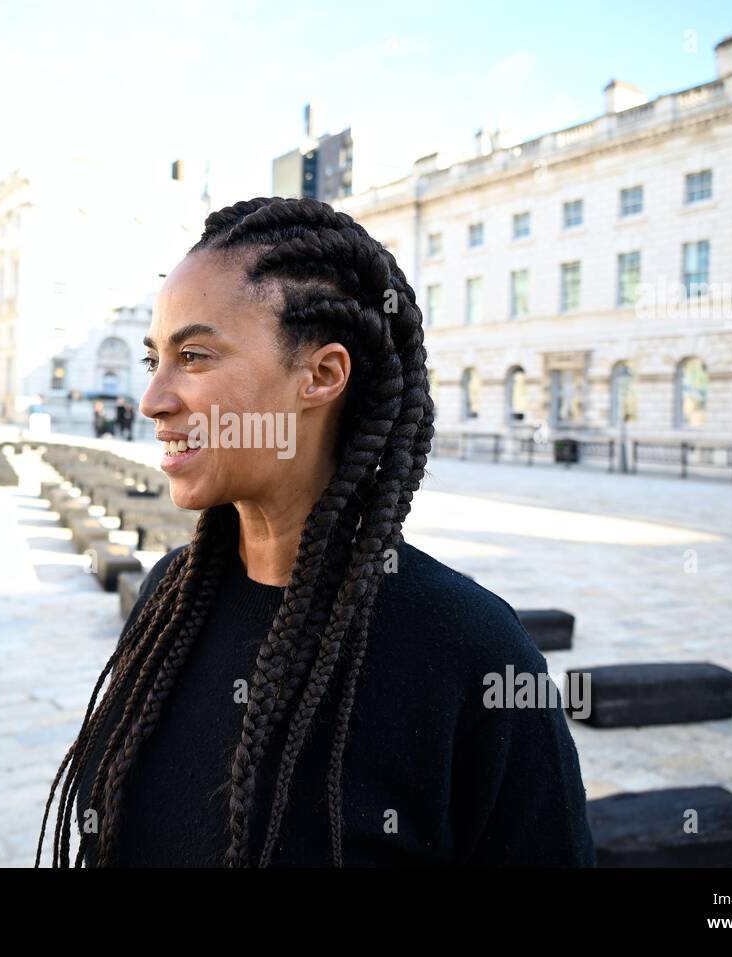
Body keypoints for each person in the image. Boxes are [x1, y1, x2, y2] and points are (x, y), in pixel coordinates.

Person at [37, 196, 595, 868]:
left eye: (195, 355)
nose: (154, 398)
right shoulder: (168, 597)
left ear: (322, 375)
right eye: (155, 359)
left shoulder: (472, 652)